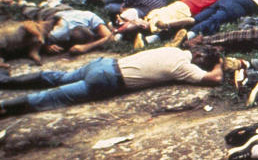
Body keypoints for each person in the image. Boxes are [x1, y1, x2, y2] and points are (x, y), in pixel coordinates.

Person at [0, 45, 223, 116]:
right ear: (200, 60)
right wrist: (219, 64)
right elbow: (215, 79)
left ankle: (6, 82)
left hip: (103, 64)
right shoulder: (182, 68)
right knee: (54, 96)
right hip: (109, 79)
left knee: (58, 77)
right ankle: (4, 106)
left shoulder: (174, 49)